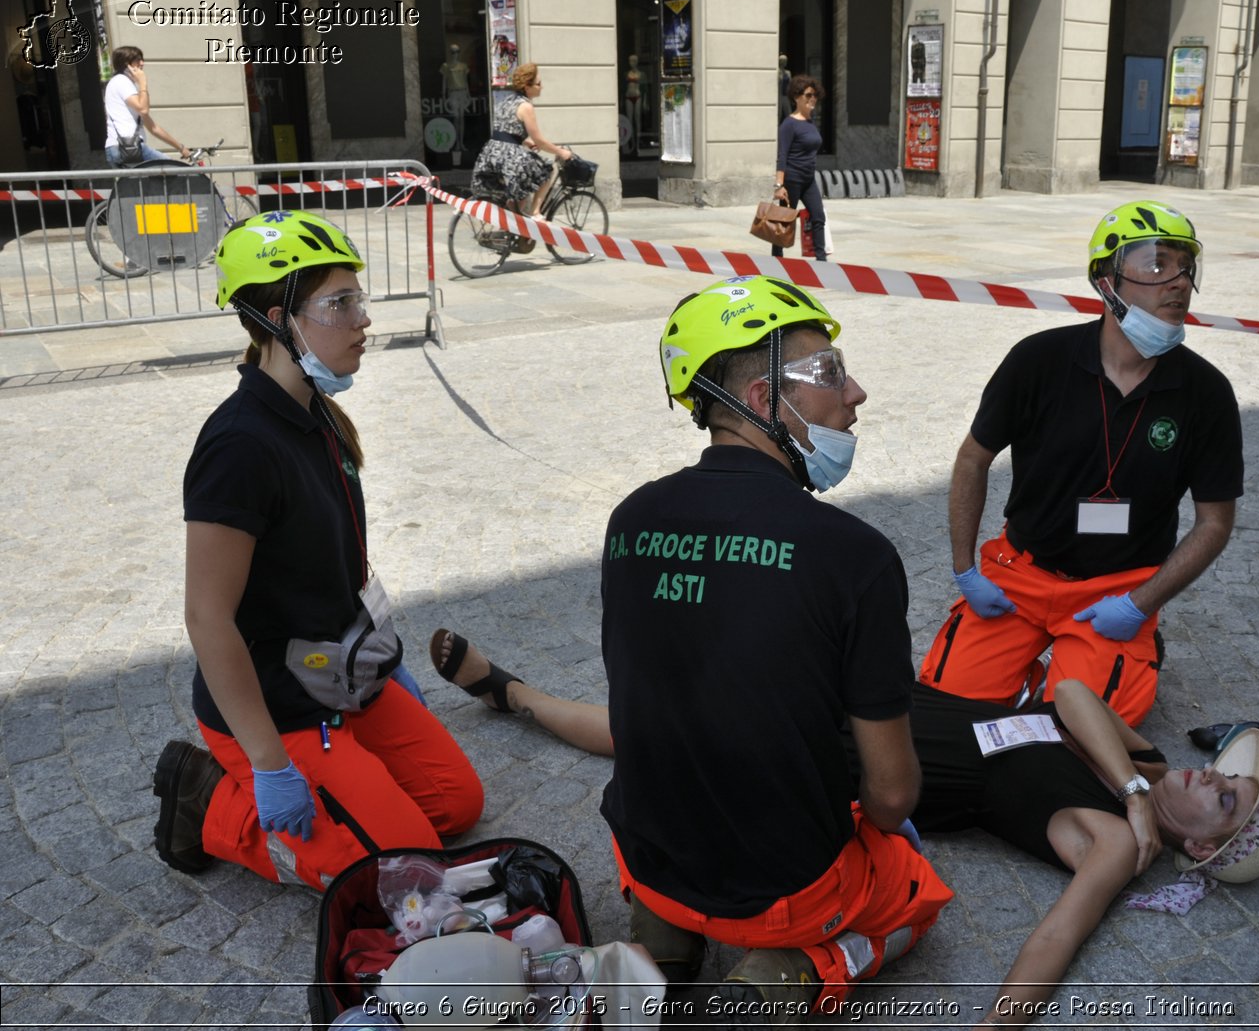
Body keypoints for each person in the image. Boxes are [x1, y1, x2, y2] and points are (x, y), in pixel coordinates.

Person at [434, 276, 952, 1015]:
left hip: (652, 861)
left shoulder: (630, 520)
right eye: (831, 372)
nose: (856, 391)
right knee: (918, 894)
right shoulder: (856, 555)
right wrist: (875, 822)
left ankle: (667, 937)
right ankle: (792, 973)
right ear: (767, 401)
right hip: (787, 892)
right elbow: (894, 791)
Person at [424, 643, 1259, 1027]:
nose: (1210, 775)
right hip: (868, 690)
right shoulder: (1130, 759)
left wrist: (995, 1027)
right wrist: (1141, 782)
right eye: (1225, 772)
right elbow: (1067, 691)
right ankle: (516, 693)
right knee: (676, 703)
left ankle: (511, 691)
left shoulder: (1109, 837)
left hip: (858, 755)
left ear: (1204, 850)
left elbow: (1059, 933)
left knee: (652, 730)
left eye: (1223, 800)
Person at [151, 210, 484, 890]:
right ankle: (208, 799)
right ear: (281, 319)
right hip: (278, 708)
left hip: (342, 682)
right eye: (340, 303)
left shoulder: (318, 415)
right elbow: (207, 619)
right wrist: (270, 762)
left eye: (358, 299)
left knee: (456, 803)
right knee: (404, 870)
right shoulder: (240, 447)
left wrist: (381, 667)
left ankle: (347, 776)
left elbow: (336, 567)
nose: (362, 319)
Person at [918, 200, 1243, 728]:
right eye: (1157, 264)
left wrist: (1141, 603)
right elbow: (973, 458)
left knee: (1083, 737)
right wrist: (965, 570)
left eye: (1186, 265)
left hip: (1118, 588)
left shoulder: (1205, 393)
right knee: (943, 712)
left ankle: (1129, 645)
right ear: (1106, 280)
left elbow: (1215, 522)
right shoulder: (1038, 361)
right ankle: (1023, 671)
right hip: (1020, 573)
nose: (1179, 282)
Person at [471, 62, 574, 247]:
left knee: (521, 184)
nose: (541, 87)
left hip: (492, 153)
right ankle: (535, 213)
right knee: (546, 169)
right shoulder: (526, 106)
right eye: (538, 83)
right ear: (527, 86)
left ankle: (515, 228)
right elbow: (540, 140)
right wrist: (561, 152)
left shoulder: (506, 101)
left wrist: (525, 141)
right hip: (509, 155)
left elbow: (505, 130)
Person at [103, 45, 188, 167]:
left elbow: (153, 127)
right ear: (127, 64)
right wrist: (143, 83)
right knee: (174, 169)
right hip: (127, 148)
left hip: (122, 149)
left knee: (140, 186)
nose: (142, 63)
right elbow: (143, 108)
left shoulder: (123, 85)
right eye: (138, 60)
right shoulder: (121, 81)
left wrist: (180, 147)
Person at [773, 75, 828, 262]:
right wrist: (779, 186)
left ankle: (822, 261)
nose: (812, 99)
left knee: (818, 216)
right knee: (784, 221)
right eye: (808, 95)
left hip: (808, 179)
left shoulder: (810, 123)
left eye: (815, 95)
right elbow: (782, 156)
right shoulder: (788, 124)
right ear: (797, 97)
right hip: (792, 179)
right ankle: (777, 259)